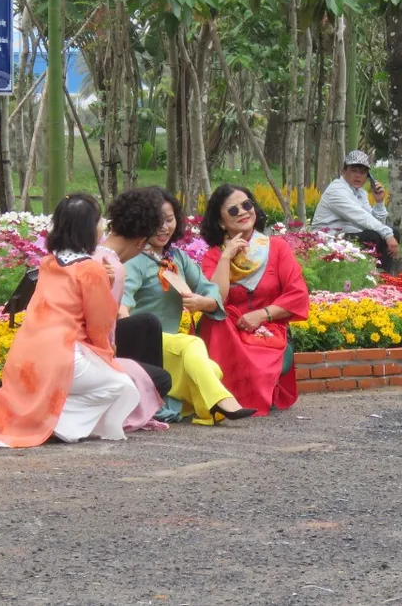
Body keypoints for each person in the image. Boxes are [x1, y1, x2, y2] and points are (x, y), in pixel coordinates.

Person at [0, 193, 140, 448]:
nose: (102, 228)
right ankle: (59, 425)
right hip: (62, 357)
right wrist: (106, 353)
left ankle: (48, 421)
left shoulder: (47, 263)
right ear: (88, 228)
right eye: (99, 222)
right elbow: (100, 325)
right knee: (123, 386)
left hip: (24, 355)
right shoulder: (90, 269)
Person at [120, 187, 256, 423]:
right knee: (192, 343)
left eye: (169, 220)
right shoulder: (134, 261)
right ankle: (223, 402)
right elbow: (122, 307)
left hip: (172, 349)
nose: (164, 227)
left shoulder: (177, 258)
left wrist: (206, 302)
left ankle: (208, 412)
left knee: (212, 370)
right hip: (145, 348)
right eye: (156, 221)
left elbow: (210, 289)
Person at [199, 184, 310, 415]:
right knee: (217, 320)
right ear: (220, 222)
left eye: (247, 205)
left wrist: (263, 314)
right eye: (232, 210)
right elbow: (215, 301)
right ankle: (223, 399)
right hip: (228, 330)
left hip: (267, 326)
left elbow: (298, 294)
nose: (242, 212)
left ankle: (244, 400)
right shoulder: (213, 256)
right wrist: (225, 258)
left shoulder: (277, 248)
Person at [97, 187, 172, 430]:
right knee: (162, 379)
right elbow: (103, 331)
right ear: (141, 241)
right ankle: (139, 403)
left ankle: (143, 399)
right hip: (90, 352)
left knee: (146, 323)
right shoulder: (113, 267)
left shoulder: (95, 253)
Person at [311, 150, 400, 270]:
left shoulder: (360, 193)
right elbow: (362, 218)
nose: (358, 176)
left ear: (368, 177)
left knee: (391, 232)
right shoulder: (336, 191)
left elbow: (374, 222)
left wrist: (379, 202)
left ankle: (383, 277)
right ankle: (373, 276)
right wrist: (387, 234)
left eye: (363, 173)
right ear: (343, 171)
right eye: (354, 171)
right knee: (374, 236)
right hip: (329, 239)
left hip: (348, 235)